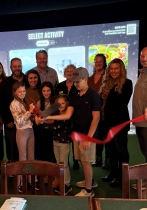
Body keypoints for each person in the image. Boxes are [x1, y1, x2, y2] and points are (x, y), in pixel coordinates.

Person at [43, 67, 100, 197]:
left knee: (86, 162)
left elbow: (96, 119)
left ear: (86, 80)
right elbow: (67, 115)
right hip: (77, 134)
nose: (75, 84)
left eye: (78, 81)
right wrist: (48, 116)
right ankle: (89, 181)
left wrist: (89, 138)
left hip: (87, 135)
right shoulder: (74, 95)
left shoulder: (94, 95)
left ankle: (88, 190)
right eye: (74, 81)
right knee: (81, 159)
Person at [99, 58, 133, 188]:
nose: (113, 71)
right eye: (111, 68)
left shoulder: (127, 83)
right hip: (106, 123)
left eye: (116, 68)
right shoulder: (106, 83)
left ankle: (122, 177)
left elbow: (121, 103)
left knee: (121, 151)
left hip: (118, 124)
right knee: (110, 151)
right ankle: (113, 173)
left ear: (121, 69)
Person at [10, 81, 36, 192]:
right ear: (15, 92)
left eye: (24, 91)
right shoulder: (13, 104)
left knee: (31, 157)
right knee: (23, 158)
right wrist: (29, 111)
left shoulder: (24, 101)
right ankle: (20, 183)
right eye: (20, 91)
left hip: (30, 130)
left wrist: (33, 115)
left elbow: (28, 118)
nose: (22, 93)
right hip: (21, 133)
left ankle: (31, 180)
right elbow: (19, 121)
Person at [0, 58, 25, 163]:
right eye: (15, 66)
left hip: (26, 122)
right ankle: (12, 169)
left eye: (19, 66)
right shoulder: (5, 83)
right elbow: (2, 104)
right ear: (10, 68)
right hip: (11, 122)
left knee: (25, 146)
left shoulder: (27, 80)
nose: (17, 68)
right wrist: (7, 120)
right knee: (12, 146)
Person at [55, 64, 79, 170]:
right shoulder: (60, 86)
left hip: (76, 116)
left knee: (74, 139)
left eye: (72, 71)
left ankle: (76, 160)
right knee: (65, 139)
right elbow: (56, 102)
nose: (69, 73)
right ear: (64, 73)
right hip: (62, 117)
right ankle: (66, 161)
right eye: (67, 71)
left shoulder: (78, 85)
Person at [88, 54, 109, 169]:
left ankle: (108, 160)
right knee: (97, 135)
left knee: (105, 135)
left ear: (104, 63)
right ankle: (98, 157)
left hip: (105, 112)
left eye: (100, 61)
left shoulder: (108, 76)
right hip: (93, 112)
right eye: (96, 61)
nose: (98, 63)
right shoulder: (90, 78)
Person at [50, 94, 73, 195]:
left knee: (64, 164)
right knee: (58, 163)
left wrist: (47, 116)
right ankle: (60, 182)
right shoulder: (56, 112)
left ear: (67, 103)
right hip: (55, 141)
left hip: (64, 142)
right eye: (59, 103)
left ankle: (67, 185)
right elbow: (50, 120)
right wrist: (41, 120)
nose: (61, 105)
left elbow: (64, 118)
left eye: (63, 103)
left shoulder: (67, 113)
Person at [36, 81, 56, 163]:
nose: (46, 93)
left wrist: (43, 121)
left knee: (52, 153)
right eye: (44, 91)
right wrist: (37, 119)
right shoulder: (39, 102)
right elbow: (37, 116)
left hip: (53, 132)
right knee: (43, 152)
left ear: (52, 90)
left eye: (48, 90)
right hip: (42, 131)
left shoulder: (55, 102)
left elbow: (55, 120)